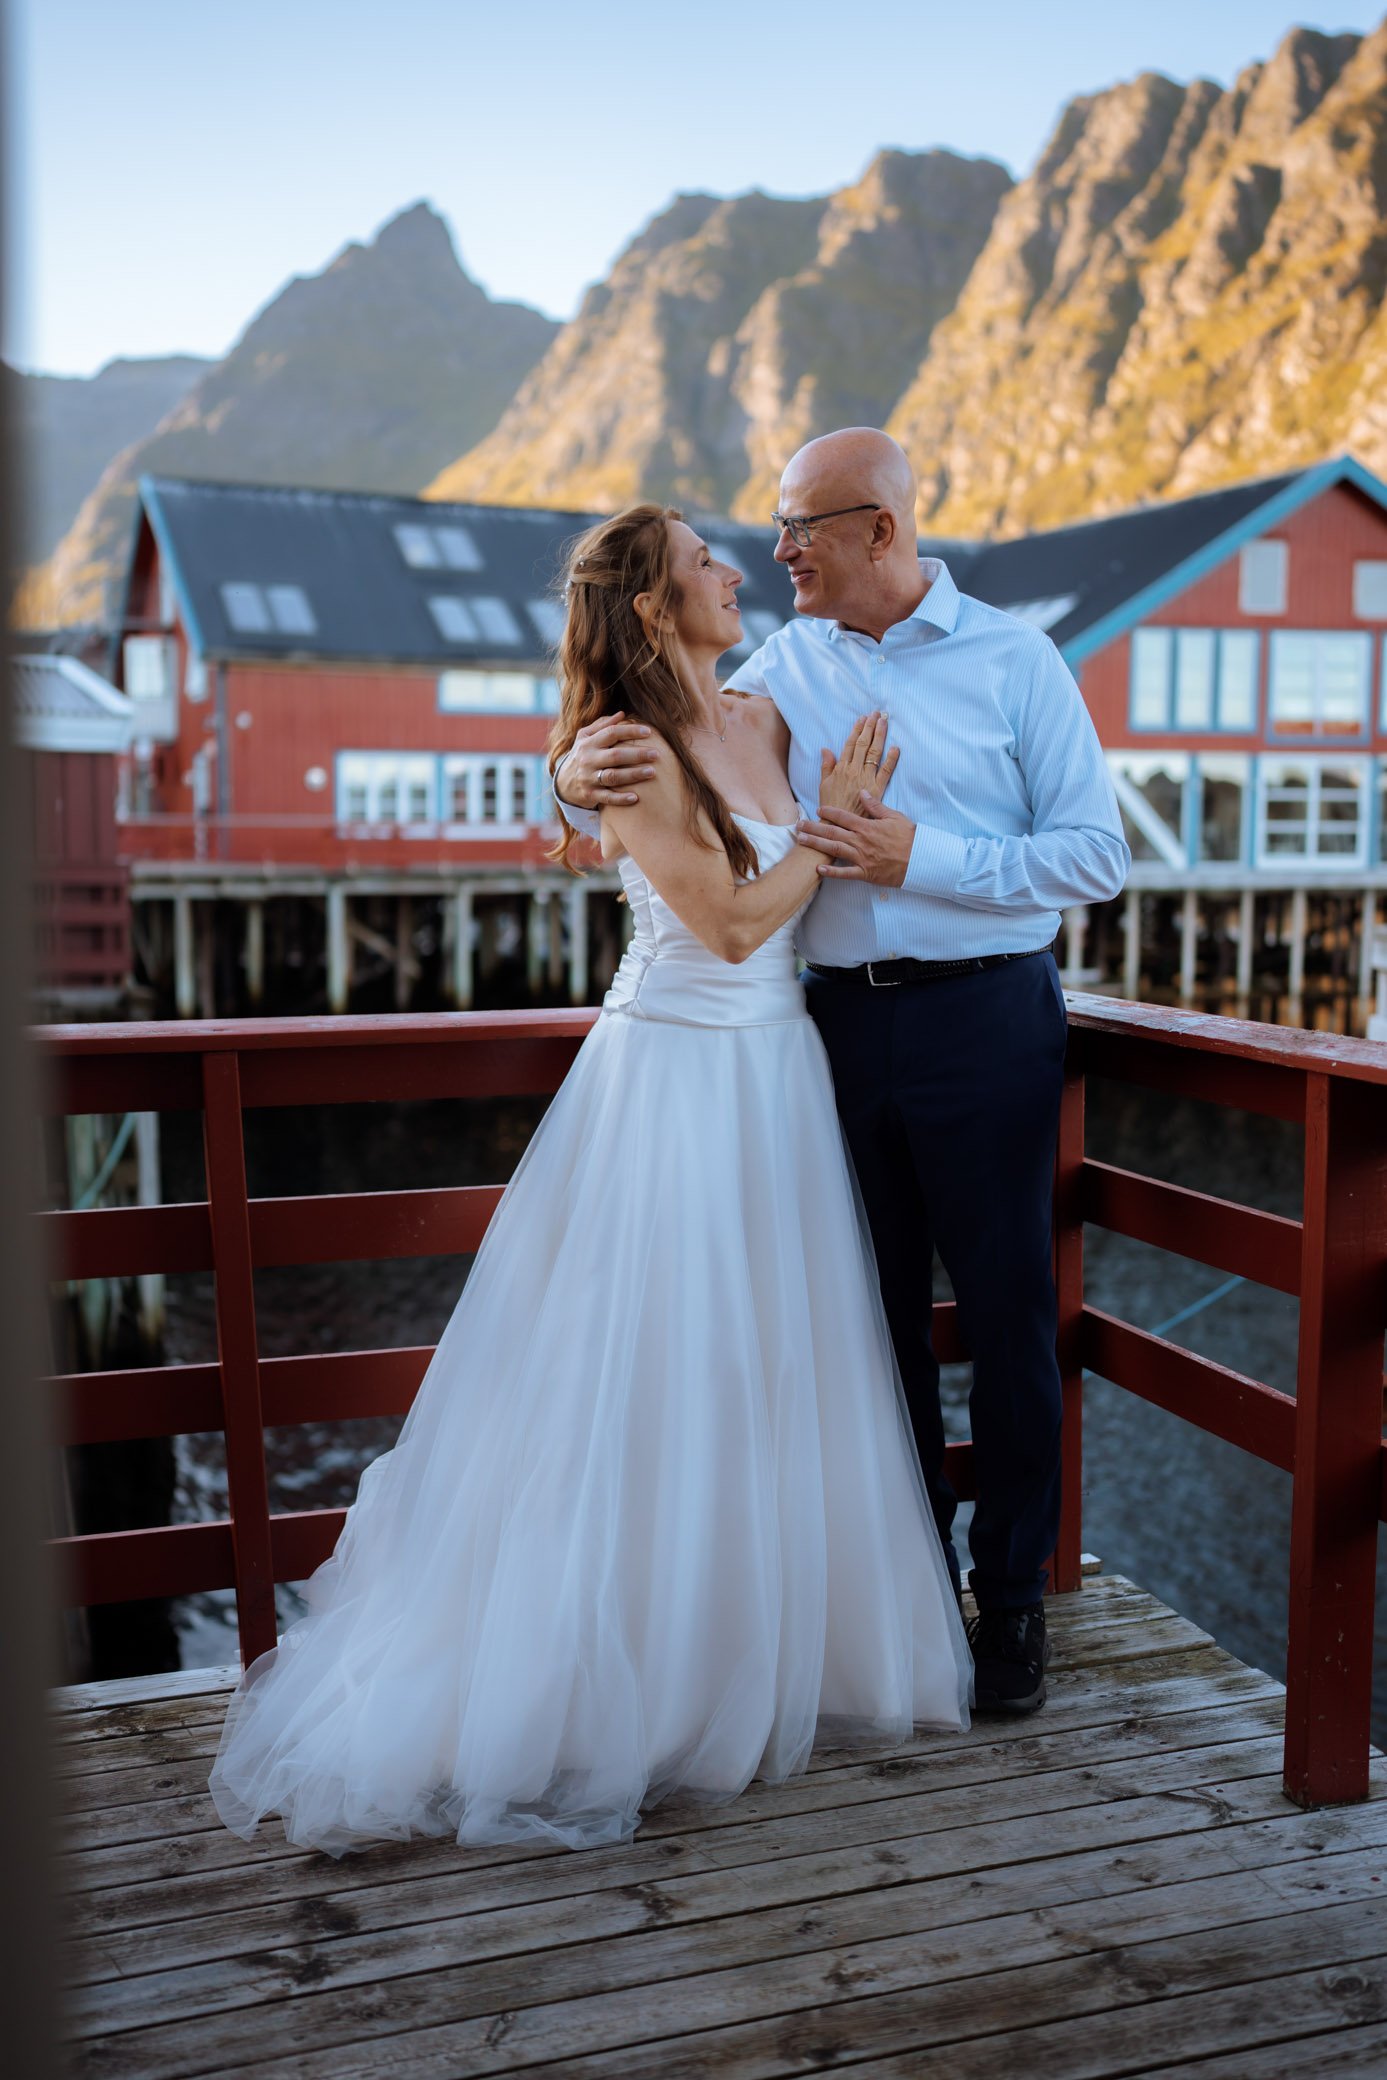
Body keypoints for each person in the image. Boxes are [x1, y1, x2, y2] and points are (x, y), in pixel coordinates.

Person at [207, 501, 972, 1858]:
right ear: (648, 608)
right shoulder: (622, 749)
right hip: (676, 1074)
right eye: (701, 564)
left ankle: (750, 1648)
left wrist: (580, 804)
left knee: (760, 1368)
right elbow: (733, 926)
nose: (733, 571)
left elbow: (643, 838)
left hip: (774, 1076)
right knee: (637, 1375)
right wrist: (828, 822)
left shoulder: (751, 713)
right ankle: (622, 1685)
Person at [554, 431, 1131, 1715]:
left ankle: (1013, 1597)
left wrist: (918, 853)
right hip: (827, 1033)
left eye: (800, 528)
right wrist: (566, 769)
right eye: (763, 532)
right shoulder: (775, 671)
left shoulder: (1017, 661)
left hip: (985, 1020)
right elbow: (657, 718)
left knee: (1005, 1315)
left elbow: (1092, 857)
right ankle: (909, 1588)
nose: (776, 553)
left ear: (879, 528)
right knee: (863, 1333)